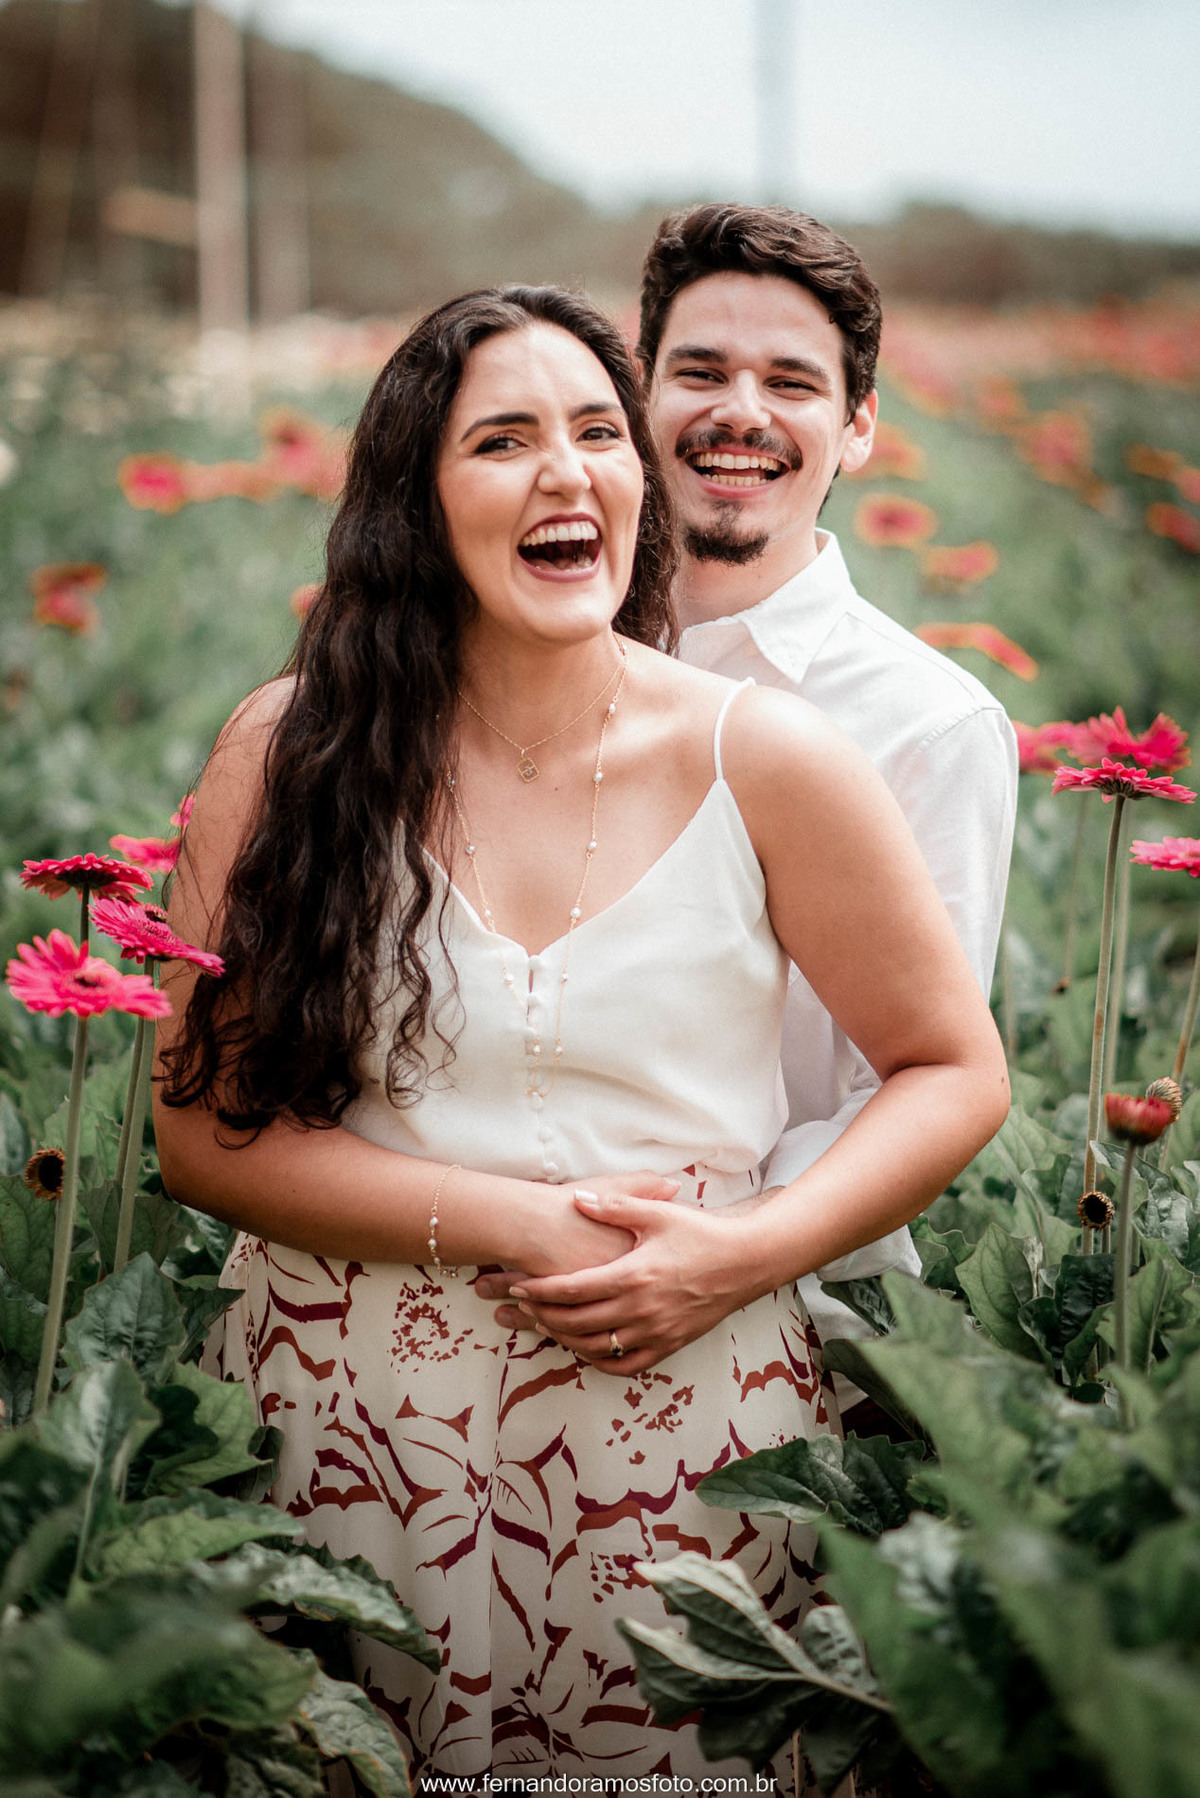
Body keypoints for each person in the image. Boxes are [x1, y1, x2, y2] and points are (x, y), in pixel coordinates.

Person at [154, 284, 1008, 1784]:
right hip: (351, 1450)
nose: (569, 472)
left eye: (601, 432)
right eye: (504, 439)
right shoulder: (285, 753)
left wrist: (750, 1250)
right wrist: (524, 1225)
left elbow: (956, 1068)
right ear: (417, 500)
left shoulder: (771, 760)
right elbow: (201, 1127)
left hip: (677, 1462)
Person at [631, 203, 1017, 1411]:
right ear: (638, 397)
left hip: (786, 1321)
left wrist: (727, 1253)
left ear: (855, 430)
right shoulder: (523, 655)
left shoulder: (930, 723)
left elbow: (915, 1084)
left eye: (790, 383)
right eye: (699, 370)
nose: (739, 411)